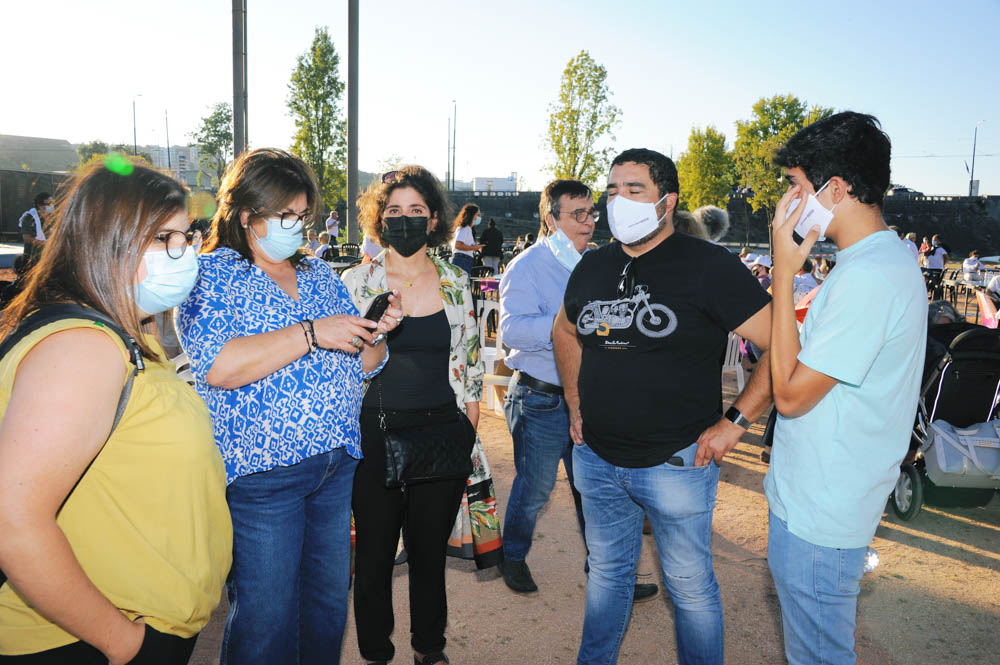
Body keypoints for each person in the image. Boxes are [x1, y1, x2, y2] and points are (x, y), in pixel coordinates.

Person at [176, 148, 402, 665]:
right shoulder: (209, 274)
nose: (297, 226)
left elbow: (364, 363)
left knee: (326, 607)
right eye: (285, 215)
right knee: (267, 617)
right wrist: (310, 332)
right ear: (245, 214)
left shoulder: (318, 273)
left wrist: (377, 335)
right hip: (264, 475)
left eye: (303, 215)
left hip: (335, 465)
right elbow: (219, 365)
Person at [0, 162, 231, 663]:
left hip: (131, 622)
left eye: (186, 236)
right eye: (164, 238)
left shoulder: (124, 333)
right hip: (84, 638)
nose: (184, 252)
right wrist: (123, 643)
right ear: (108, 242)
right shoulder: (83, 348)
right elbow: (13, 522)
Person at [553, 148, 773, 665]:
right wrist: (574, 399)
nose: (618, 201)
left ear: (666, 201)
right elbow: (564, 330)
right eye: (612, 190)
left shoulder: (710, 265)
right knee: (607, 575)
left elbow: (783, 346)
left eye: (634, 190)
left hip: (676, 462)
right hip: (597, 458)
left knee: (690, 588)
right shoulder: (594, 265)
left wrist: (735, 423)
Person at [768, 111, 927, 665]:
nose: (788, 200)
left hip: (823, 510)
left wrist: (783, 273)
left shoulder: (869, 276)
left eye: (796, 186)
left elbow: (790, 395)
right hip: (821, 497)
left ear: (834, 189)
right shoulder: (875, 260)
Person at [342, 166, 497, 665]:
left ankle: (430, 647)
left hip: (441, 433)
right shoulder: (355, 281)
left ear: (433, 220)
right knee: (374, 554)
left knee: (430, 554)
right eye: (394, 210)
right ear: (379, 218)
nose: (404, 219)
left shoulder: (456, 280)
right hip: (373, 433)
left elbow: (470, 360)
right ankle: (375, 651)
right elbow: (341, 363)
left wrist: (468, 430)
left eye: (415, 211)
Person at [498, 179, 657, 602]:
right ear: (551, 219)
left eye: (592, 213)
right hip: (541, 398)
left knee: (597, 491)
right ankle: (511, 555)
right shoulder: (528, 265)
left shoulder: (600, 263)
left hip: (590, 399)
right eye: (578, 214)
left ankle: (610, 574)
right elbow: (511, 330)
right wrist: (566, 326)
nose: (589, 222)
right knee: (535, 488)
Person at [18, 192, 53, 262]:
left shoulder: (53, 217)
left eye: (52, 203)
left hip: (49, 256)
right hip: (32, 257)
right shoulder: (29, 217)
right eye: (49, 204)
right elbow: (27, 238)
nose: (51, 206)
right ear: (40, 205)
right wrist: (45, 244)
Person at [450, 204, 484, 274]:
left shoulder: (466, 229)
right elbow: (458, 245)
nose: (479, 217)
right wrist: (474, 248)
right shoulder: (466, 228)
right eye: (477, 214)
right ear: (472, 215)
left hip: (463, 259)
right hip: (462, 260)